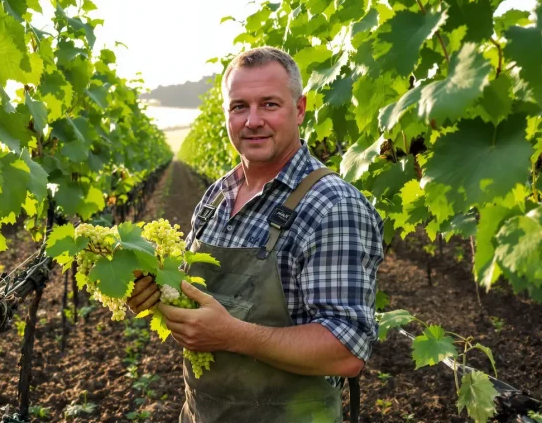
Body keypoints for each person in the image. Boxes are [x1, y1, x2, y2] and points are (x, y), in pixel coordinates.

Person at [127, 46, 384, 423]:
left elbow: (347, 350)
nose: (252, 121)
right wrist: (154, 290)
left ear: (299, 109)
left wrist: (233, 335)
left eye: (269, 104)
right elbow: (192, 294)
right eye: (239, 107)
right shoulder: (217, 196)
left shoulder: (332, 205)